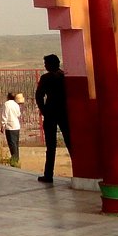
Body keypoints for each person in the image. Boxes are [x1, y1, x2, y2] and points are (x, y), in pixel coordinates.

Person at [35, 54, 71, 183]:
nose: (45, 66)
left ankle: (48, 174)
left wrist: (43, 109)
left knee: (51, 146)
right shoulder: (65, 77)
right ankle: (78, 171)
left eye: (46, 63)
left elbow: (39, 96)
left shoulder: (46, 78)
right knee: (70, 143)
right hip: (64, 112)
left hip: (50, 113)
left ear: (50, 64)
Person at [1, 92, 23, 164]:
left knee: (11, 143)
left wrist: (3, 125)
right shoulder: (16, 104)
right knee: (16, 143)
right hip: (16, 125)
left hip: (10, 126)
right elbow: (18, 114)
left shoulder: (6, 104)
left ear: (8, 97)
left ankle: (14, 158)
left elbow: (4, 115)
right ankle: (16, 157)